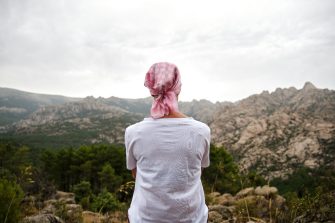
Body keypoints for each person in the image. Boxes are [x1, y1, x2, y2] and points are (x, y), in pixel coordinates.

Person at [125, 62, 210, 223]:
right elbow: (197, 171)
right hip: (192, 219)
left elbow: (136, 174)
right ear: (179, 88)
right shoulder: (202, 131)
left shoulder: (133, 132)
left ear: (151, 89)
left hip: (144, 218)